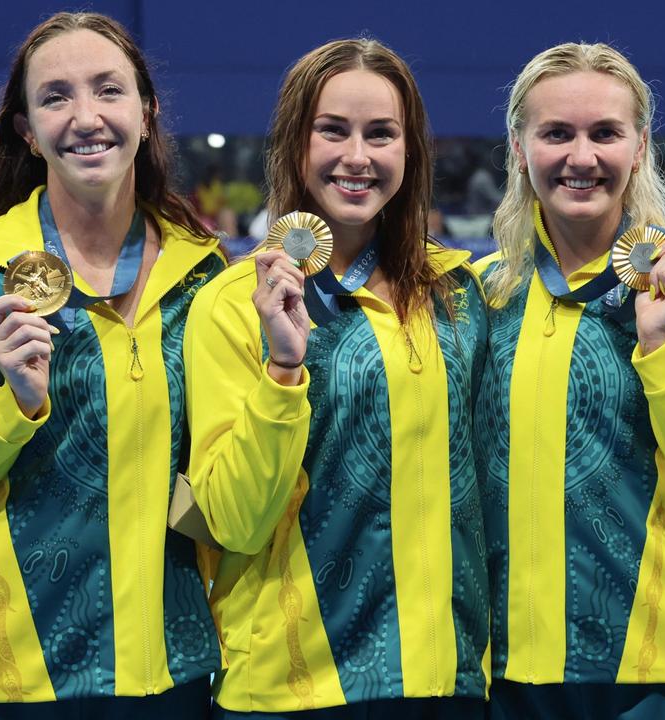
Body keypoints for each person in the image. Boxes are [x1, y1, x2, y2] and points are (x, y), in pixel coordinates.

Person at [0, 12, 224, 718]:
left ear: (147, 114)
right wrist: (9, 408)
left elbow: (213, 476)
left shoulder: (205, 275)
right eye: (56, 97)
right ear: (27, 130)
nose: (86, 116)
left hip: (169, 672)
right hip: (10, 684)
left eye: (108, 91)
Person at [184, 38, 489, 718]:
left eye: (381, 134)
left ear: (410, 153)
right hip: (288, 689)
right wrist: (283, 370)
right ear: (295, 143)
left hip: (443, 679)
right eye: (333, 130)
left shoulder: (458, 295)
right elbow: (226, 520)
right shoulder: (232, 304)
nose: (358, 157)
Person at [475, 42, 665, 718]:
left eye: (605, 133)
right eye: (556, 133)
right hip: (502, 668)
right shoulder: (484, 293)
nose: (581, 157)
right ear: (518, 145)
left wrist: (657, 346)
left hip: (660, 673)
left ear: (641, 144)